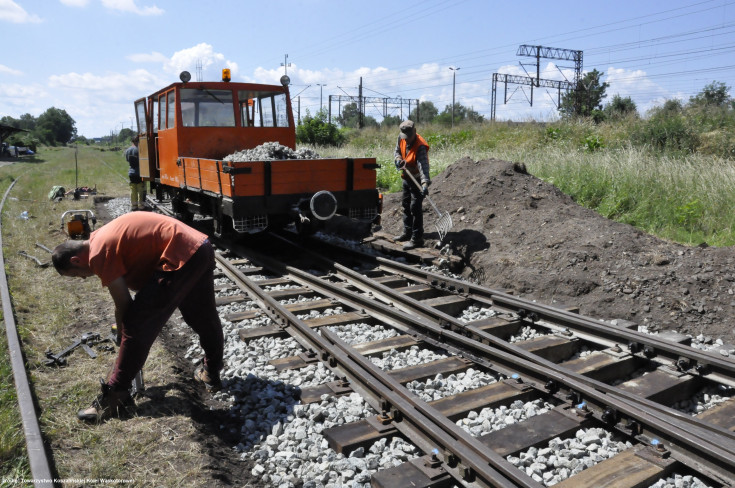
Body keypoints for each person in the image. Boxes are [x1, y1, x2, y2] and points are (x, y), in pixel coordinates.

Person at [51, 212, 225, 422]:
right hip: (198, 247)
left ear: (76, 260)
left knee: (136, 324)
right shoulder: (100, 238)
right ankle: (211, 372)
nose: (82, 278)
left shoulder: (97, 254)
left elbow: (124, 303)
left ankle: (117, 395)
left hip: (180, 254)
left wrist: (124, 331)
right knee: (203, 316)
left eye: (76, 275)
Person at [393, 120, 431, 250]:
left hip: (417, 180)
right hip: (406, 177)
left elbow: (423, 165)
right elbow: (397, 151)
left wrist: (425, 183)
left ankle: (417, 238)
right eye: (405, 137)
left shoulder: (420, 146)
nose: (407, 140)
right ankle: (407, 232)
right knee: (406, 205)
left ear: (414, 132)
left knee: (415, 207)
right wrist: (398, 160)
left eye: (409, 137)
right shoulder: (401, 137)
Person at [125, 136, 146, 210]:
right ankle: (141, 206)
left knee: (133, 189)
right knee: (140, 189)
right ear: (138, 141)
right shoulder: (140, 150)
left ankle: (134, 206)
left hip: (131, 172)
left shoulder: (128, 150)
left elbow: (127, 160)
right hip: (139, 172)